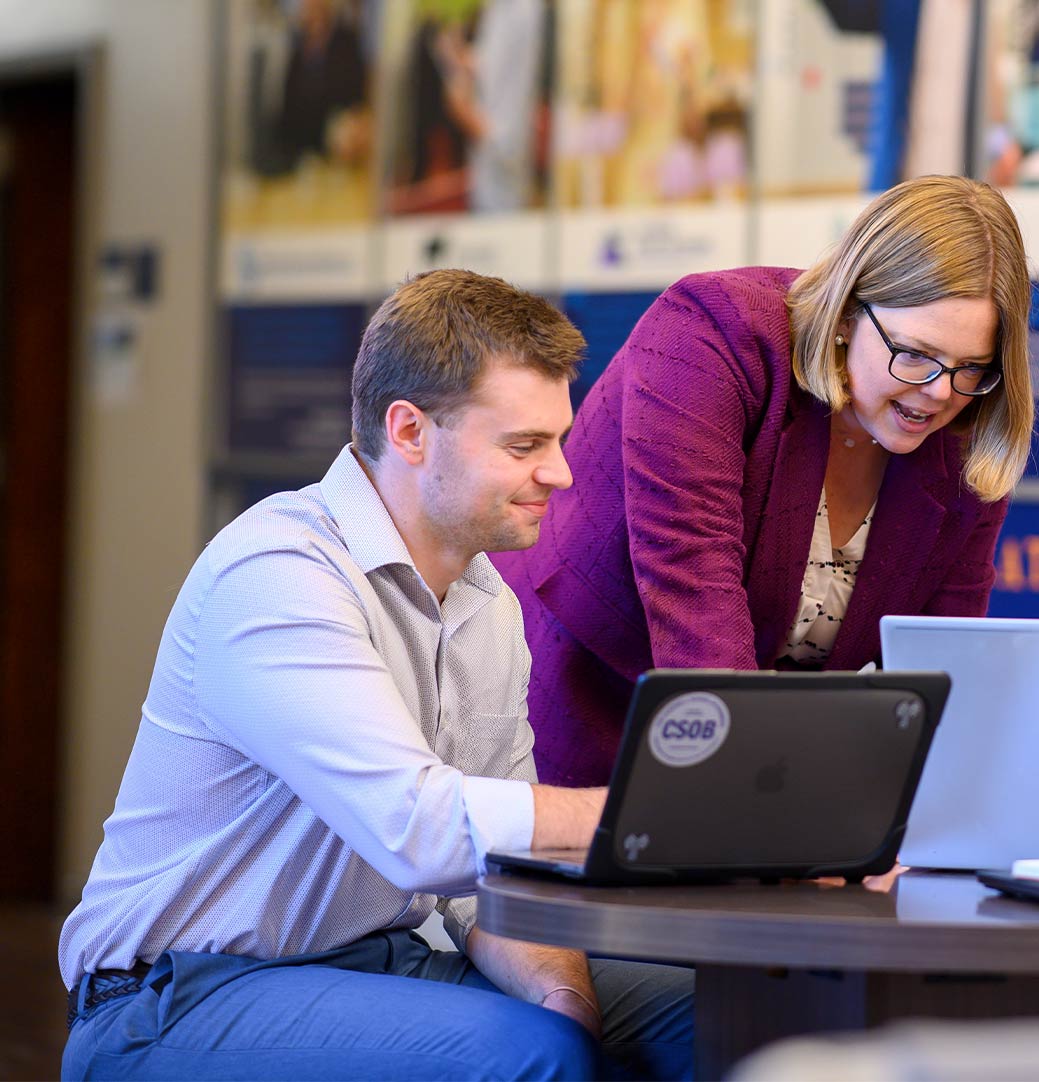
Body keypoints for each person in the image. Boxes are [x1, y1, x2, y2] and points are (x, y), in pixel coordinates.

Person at [59, 271, 692, 1080]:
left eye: (558, 441)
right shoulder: (279, 571)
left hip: (376, 963)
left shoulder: (486, 599)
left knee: (708, 1018)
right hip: (171, 1000)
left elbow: (493, 879)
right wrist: (662, 810)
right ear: (409, 431)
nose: (561, 474)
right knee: (527, 1056)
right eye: (524, 446)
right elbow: (422, 832)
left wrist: (566, 998)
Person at [495, 174, 1035, 786]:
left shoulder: (969, 431)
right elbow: (694, 590)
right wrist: (762, 814)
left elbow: (943, 661)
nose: (940, 392)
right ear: (846, 314)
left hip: (779, 753)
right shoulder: (710, 333)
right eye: (914, 354)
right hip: (589, 694)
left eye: (971, 368)